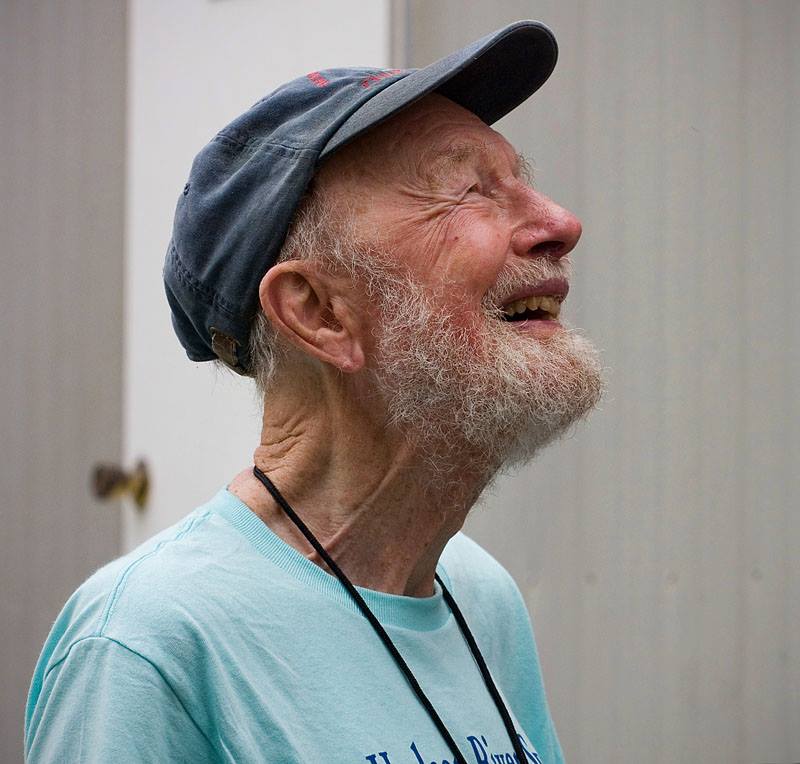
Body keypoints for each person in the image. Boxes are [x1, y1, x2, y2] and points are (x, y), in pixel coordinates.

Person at [25, 21, 601, 764]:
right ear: (318, 313)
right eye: (466, 191)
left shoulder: (475, 595)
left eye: (521, 179)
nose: (561, 223)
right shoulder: (149, 644)